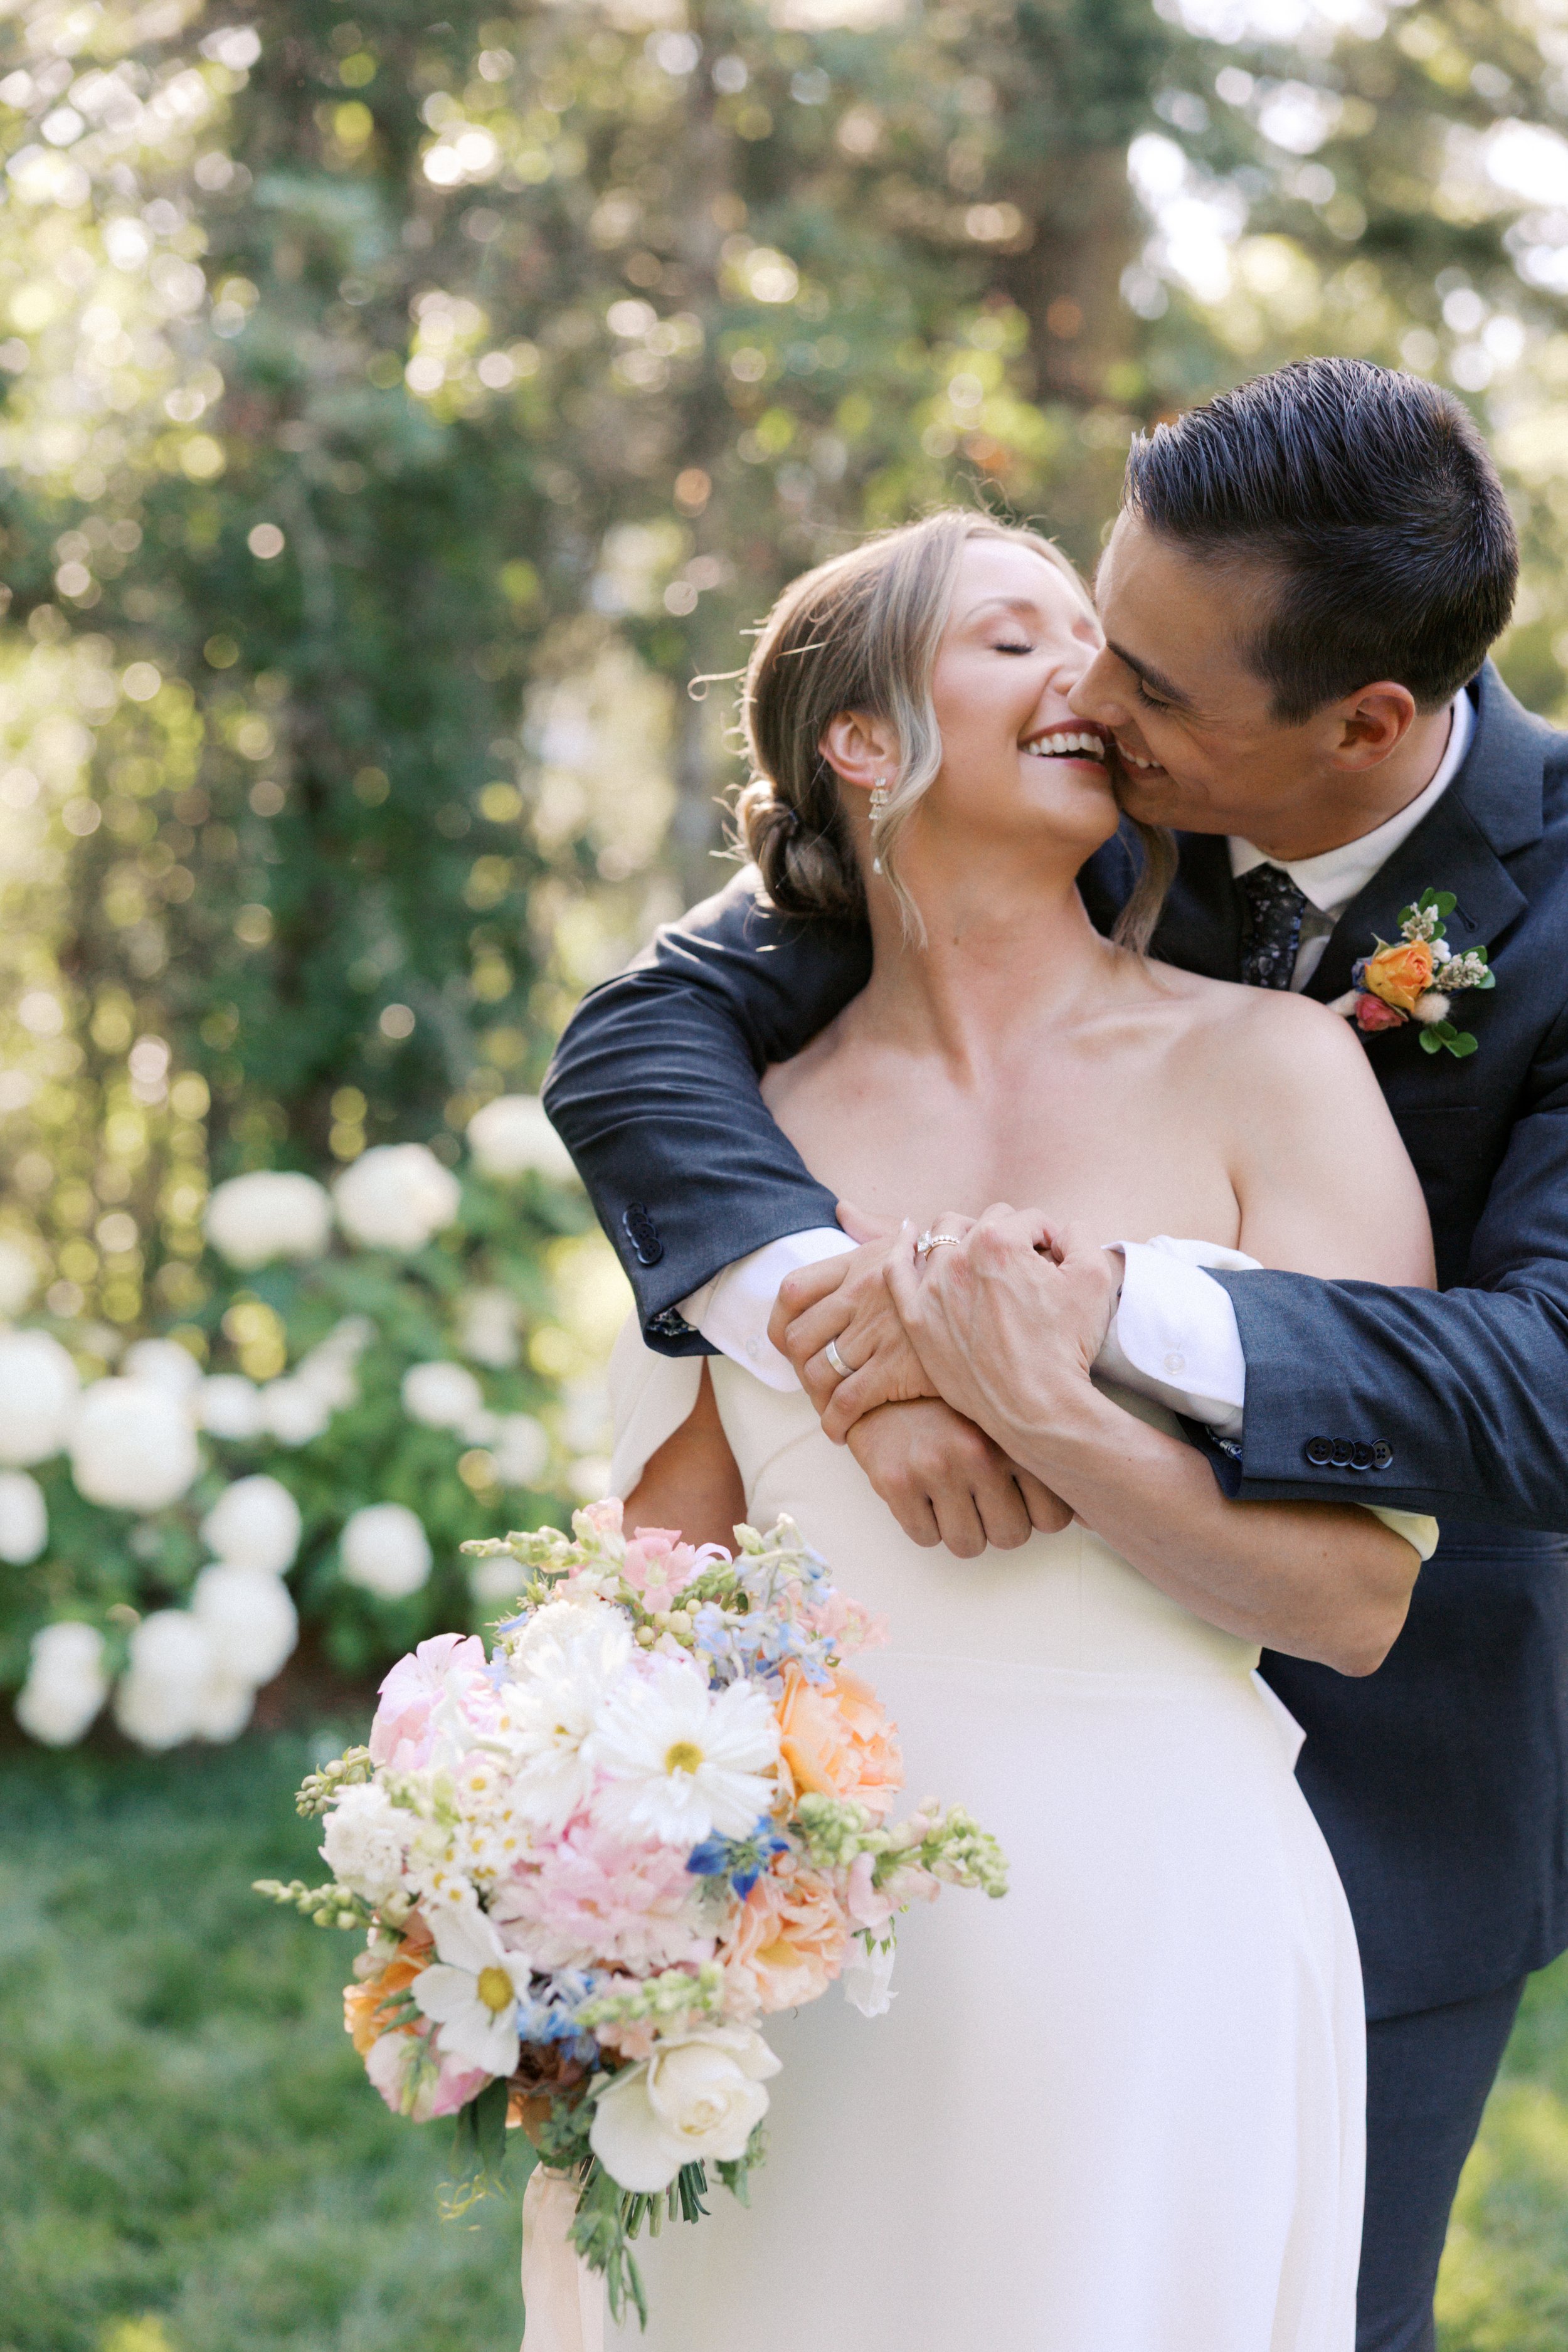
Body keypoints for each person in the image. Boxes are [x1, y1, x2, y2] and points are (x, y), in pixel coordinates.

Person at [545, 359, 1568, 2352]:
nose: (1092, 701)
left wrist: (1079, 1330)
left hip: (1367, 1797)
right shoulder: (1062, 809)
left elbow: (1541, 1383)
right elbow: (637, 1039)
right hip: (844, 1839)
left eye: (1147, 689)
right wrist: (838, 1329)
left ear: (1364, 722)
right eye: (1071, 634)